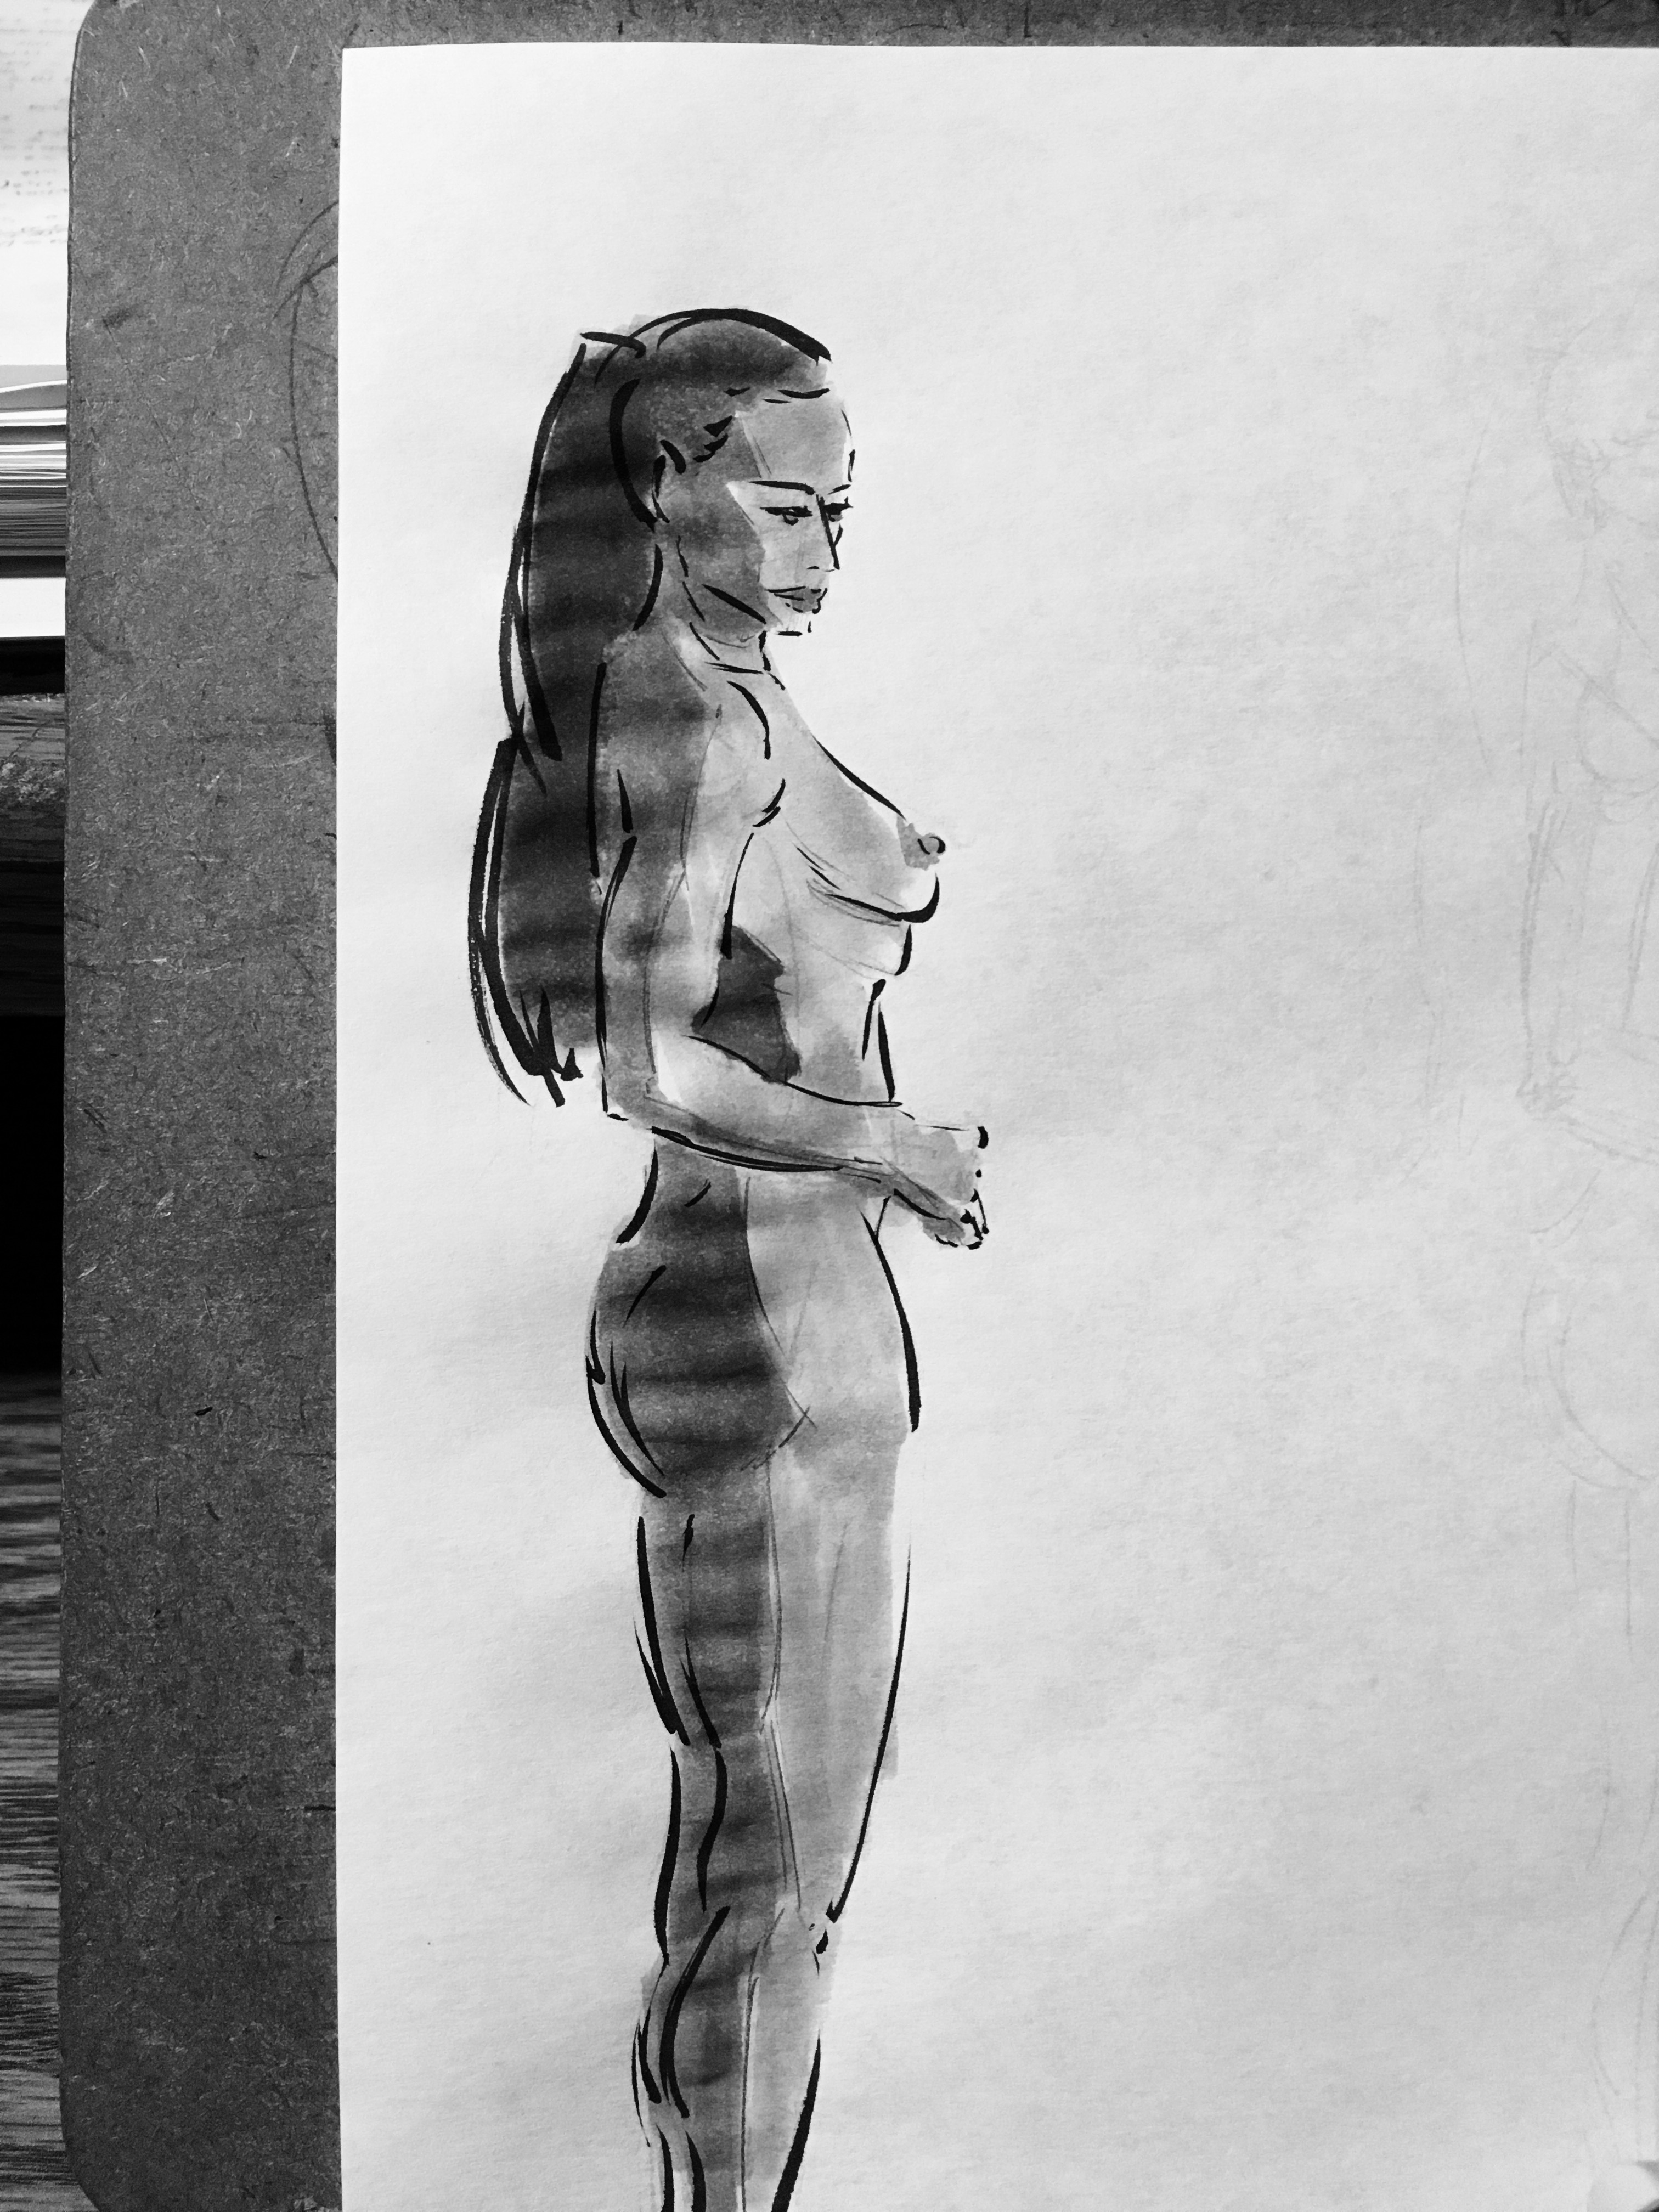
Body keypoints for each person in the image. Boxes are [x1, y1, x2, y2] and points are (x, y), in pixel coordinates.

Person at [469, 308, 988, 2212]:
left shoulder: (725, 694)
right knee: (774, 1873)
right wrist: (888, 1142)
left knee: (781, 1867)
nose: (824, 546)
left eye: (839, 510)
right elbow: (650, 1061)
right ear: (665, 489)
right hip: (759, 1311)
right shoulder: (690, 711)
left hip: (792, 1309)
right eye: (782, 506)